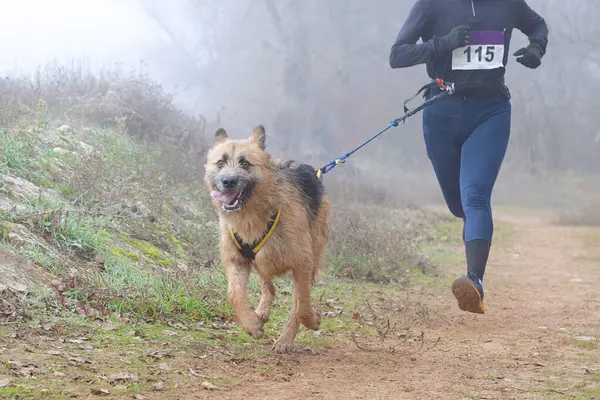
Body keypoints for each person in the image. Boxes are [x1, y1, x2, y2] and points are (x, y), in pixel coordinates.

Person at [389, 0, 548, 314]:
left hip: (490, 110)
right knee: (458, 205)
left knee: (475, 194)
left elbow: (538, 25)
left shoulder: (509, 4)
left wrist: (536, 48)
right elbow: (397, 55)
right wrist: (443, 43)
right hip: (440, 110)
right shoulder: (431, 5)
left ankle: (474, 281)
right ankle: (471, 241)